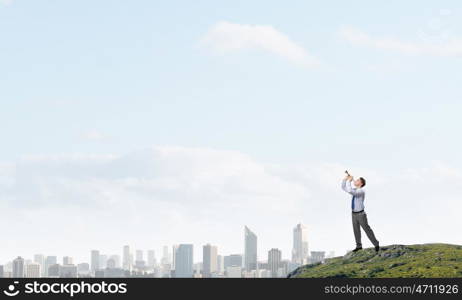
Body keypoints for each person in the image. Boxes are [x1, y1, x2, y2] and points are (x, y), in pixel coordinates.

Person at [342, 173, 380, 252]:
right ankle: (359, 246)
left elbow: (349, 190)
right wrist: (345, 179)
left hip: (361, 214)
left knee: (367, 229)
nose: (356, 180)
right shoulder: (355, 190)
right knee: (356, 230)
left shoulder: (361, 191)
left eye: (358, 180)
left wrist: (349, 181)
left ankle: (376, 244)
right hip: (354, 214)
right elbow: (343, 187)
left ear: (361, 183)